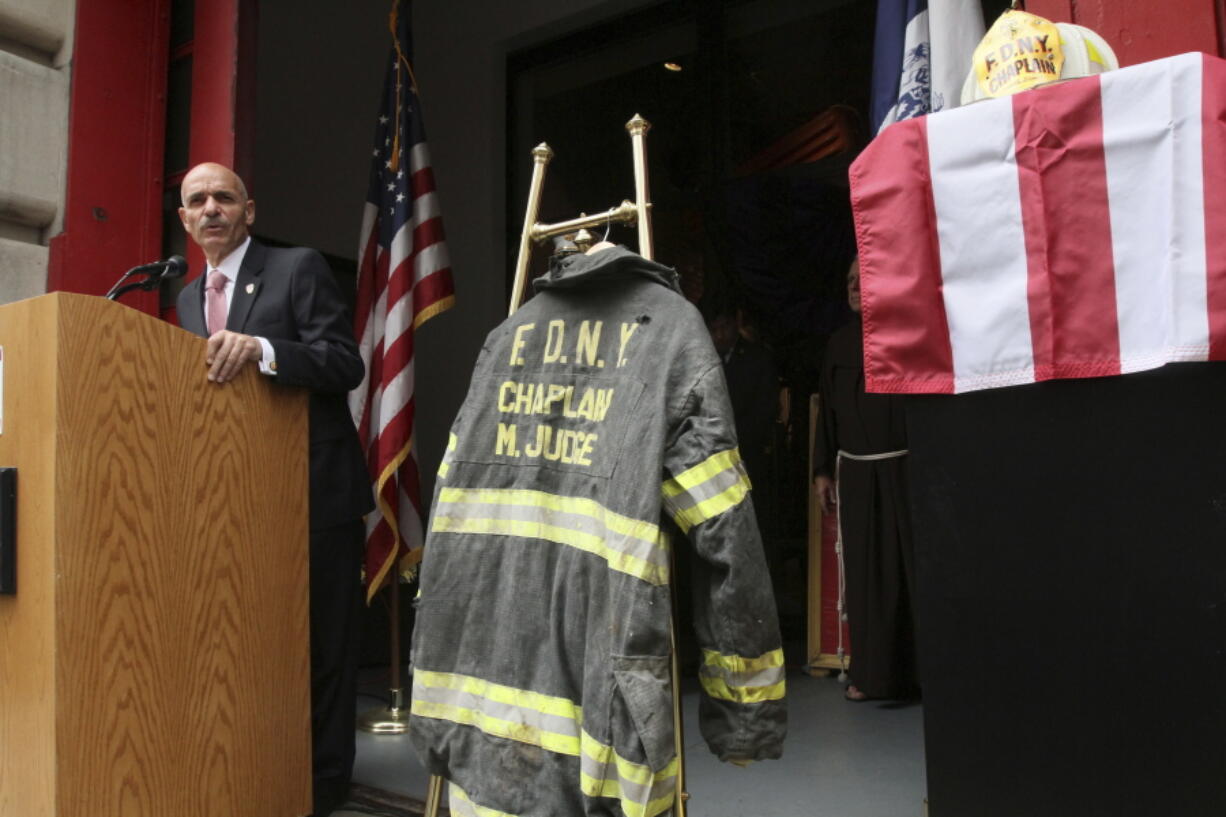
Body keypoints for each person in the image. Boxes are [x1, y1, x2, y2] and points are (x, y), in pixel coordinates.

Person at [175, 162, 374, 817]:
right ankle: (260, 766)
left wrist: (263, 347)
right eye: (196, 200)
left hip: (316, 493)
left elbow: (346, 363)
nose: (211, 209)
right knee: (254, 641)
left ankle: (323, 786)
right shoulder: (181, 299)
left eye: (223, 198)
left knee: (323, 648)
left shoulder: (298, 268)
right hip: (237, 502)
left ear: (248, 210)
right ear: (184, 219)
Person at [813, 257, 919, 702]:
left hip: (903, 471)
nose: (855, 286)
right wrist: (821, 471)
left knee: (907, 573)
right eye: (849, 280)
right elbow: (828, 415)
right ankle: (870, 676)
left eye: (862, 279)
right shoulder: (838, 344)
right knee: (863, 577)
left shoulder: (905, 337)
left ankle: (918, 676)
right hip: (855, 473)